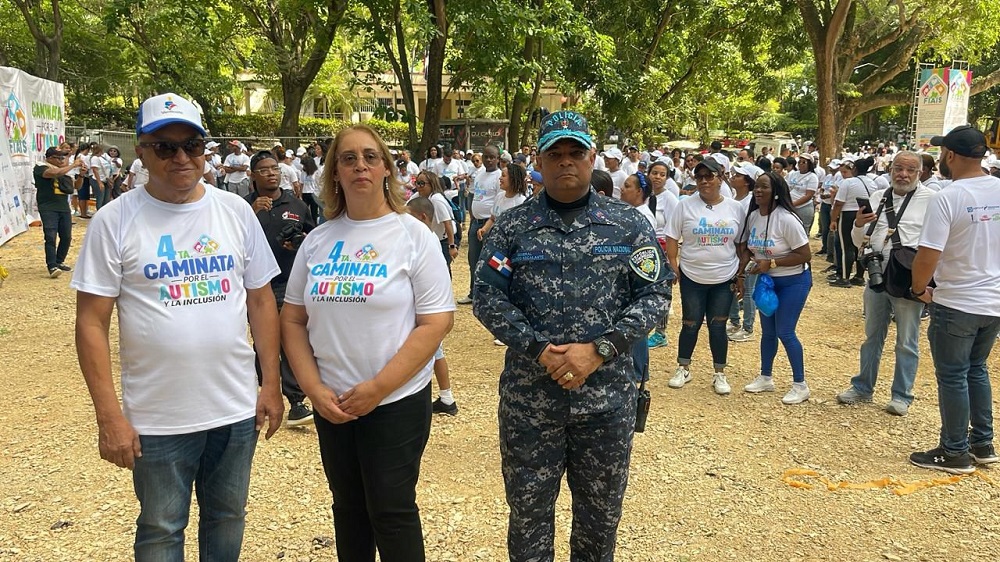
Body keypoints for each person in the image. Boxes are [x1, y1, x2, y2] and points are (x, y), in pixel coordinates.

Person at [72, 93, 284, 560]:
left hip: (233, 409)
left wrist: (271, 383)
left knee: (228, 518)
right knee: (161, 528)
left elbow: (261, 301)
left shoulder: (235, 211)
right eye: (165, 147)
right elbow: (90, 321)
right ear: (141, 152)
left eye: (193, 144)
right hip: (157, 418)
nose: (182, 157)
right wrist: (109, 416)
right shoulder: (115, 221)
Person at [472, 111, 670, 562]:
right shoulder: (513, 226)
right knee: (528, 516)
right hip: (530, 401)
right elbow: (486, 296)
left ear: (592, 157)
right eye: (555, 154)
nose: (566, 163)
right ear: (538, 161)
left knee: (600, 520)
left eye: (575, 153)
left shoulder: (628, 224)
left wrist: (600, 350)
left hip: (606, 402)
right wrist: (538, 349)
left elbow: (656, 294)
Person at [280, 124, 455, 560]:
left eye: (370, 157)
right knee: (349, 509)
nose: (360, 165)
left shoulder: (413, 236)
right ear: (334, 173)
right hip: (333, 400)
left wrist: (377, 389)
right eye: (348, 158)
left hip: (394, 400)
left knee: (391, 510)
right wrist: (313, 389)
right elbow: (293, 319)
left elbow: (435, 324)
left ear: (386, 170)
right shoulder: (318, 241)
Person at [909, 126, 1000, 474]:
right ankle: (983, 443)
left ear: (949, 155)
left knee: (953, 375)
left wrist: (919, 290)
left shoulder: (947, 196)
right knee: (976, 369)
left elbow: (927, 255)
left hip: (958, 299)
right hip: (993, 300)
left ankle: (954, 451)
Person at [835, 151, 933, 416]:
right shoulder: (879, 197)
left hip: (906, 279)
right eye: (898, 168)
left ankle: (902, 395)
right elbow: (859, 241)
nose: (903, 174)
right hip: (876, 276)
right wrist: (857, 225)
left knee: (907, 341)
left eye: (910, 170)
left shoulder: (932, 200)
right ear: (890, 170)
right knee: (872, 336)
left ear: (920, 173)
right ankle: (863, 387)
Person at [246, 150, 317, 426]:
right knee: (261, 340)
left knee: (290, 338)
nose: (271, 174)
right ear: (254, 176)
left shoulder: (297, 205)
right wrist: (252, 214)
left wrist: (299, 242)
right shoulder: (242, 207)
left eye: (274, 168)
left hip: (289, 281)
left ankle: (296, 401)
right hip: (254, 285)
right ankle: (259, 389)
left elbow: (313, 239)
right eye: (263, 170)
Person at [664, 158, 744, 395]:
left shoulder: (734, 208)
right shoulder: (685, 205)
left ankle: (719, 373)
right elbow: (671, 236)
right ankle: (683, 368)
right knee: (690, 324)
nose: (704, 181)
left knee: (718, 326)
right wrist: (673, 264)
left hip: (724, 276)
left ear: (721, 178)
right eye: (699, 177)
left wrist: (740, 275)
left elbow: (741, 244)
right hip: (692, 275)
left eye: (709, 176)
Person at [738, 172, 813, 404]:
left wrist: (771, 263)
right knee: (768, 332)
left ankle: (800, 385)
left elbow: (804, 254)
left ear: (777, 192)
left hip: (794, 281)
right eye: (756, 187)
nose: (758, 191)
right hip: (768, 281)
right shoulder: (753, 217)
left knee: (785, 331)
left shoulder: (787, 219)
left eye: (764, 187)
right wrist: (741, 272)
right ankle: (765, 376)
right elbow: (751, 248)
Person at [406, 196, 461, 416]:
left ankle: (442, 396)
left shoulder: (425, 241)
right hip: (425, 308)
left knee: (432, 351)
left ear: (422, 217)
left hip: (426, 309)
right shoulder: (421, 239)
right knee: (435, 351)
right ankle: (446, 397)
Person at [458, 145, 501, 304]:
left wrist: (489, 225)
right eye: (487, 157)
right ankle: (473, 292)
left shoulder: (499, 176)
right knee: (473, 260)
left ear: (497, 158)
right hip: (475, 223)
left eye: (492, 157)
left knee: (489, 261)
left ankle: (488, 295)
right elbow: (474, 197)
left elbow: (499, 202)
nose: (489, 160)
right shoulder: (479, 174)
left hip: (489, 225)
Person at [726, 163, 762, 343]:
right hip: (733, 249)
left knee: (748, 289)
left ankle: (748, 327)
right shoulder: (734, 198)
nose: (733, 177)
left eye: (738, 175)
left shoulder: (750, 202)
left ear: (747, 182)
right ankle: (734, 321)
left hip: (747, 250)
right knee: (733, 286)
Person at [34, 147, 83, 277]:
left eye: (63, 157)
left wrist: (81, 175)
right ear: (50, 158)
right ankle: (52, 265)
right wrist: (73, 165)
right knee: (50, 236)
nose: (62, 160)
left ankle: (59, 261)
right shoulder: (40, 167)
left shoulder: (65, 171)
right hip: (48, 207)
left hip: (63, 208)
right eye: (59, 158)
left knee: (66, 236)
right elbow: (53, 173)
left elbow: (76, 186)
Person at [414, 170, 459, 272]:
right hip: (434, 239)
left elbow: (447, 223)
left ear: (432, 184)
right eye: (417, 183)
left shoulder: (436, 200)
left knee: (442, 269)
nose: (419, 186)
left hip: (446, 240)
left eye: (422, 184)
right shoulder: (418, 196)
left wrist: (451, 246)